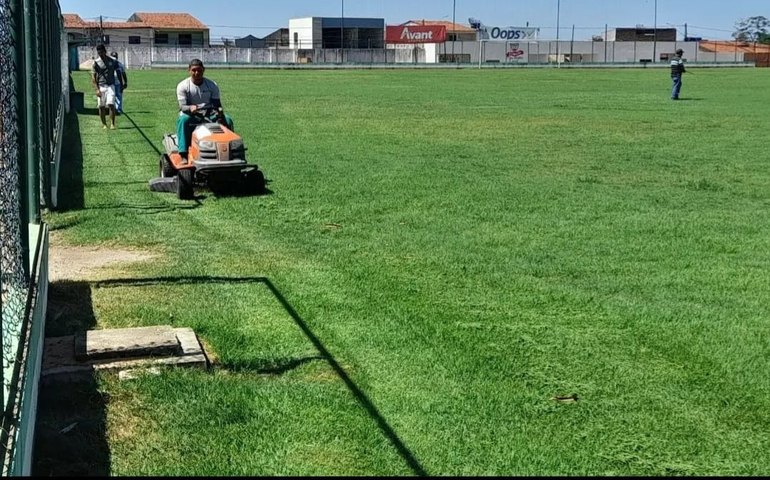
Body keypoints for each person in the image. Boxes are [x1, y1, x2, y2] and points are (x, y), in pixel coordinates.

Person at [176, 58, 234, 160]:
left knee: (228, 120)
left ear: (203, 70)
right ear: (189, 70)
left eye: (199, 70)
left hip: (208, 114)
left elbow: (217, 104)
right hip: (191, 114)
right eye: (194, 70)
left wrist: (220, 112)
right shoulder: (183, 86)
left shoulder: (212, 85)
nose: (197, 73)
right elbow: (182, 106)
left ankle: (230, 150)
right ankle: (183, 153)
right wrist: (190, 108)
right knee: (183, 120)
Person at [91, 44, 118, 129]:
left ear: (105, 52)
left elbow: (118, 71)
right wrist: (97, 90)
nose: (101, 55)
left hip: (111, 85)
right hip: (101, 86)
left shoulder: (113, 61)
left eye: (102, 53)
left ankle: (112, 124)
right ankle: (104, 124)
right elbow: (93, 77)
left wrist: (122, 82)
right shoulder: (96, 63)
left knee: (111, 104)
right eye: (99, 53)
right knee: (101, 106)